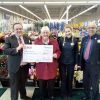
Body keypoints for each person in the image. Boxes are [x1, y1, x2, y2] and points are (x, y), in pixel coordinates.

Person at [4, 23, 31, 100]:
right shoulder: (9, 39)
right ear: (14, 30)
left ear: (22, 29)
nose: (19, 30)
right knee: (14, 85)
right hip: (15, 66)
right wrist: (17, 48)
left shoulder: (26, 37)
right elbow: (5, 50)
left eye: (20, 28)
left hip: (25, 66)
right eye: (17, 29)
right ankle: (14, 98)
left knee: (23, 83)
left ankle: (23, 96)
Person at [34, 26, 61, 100]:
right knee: (41, 82)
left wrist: (56, 55)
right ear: (41, 33)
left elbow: (58, 51)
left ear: (49, 33)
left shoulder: (54, 41)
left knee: (51, 82)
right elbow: (33, 53)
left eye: (47, 32)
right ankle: (42, 95)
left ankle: (51, 95)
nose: (45, 34)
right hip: (41, 65)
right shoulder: (37, 41)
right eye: (43, 32)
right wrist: (34, 59)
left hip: (51, 65)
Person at [80, 22, 100, 100]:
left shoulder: (99, 38)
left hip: (95, 66)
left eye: (93, 27)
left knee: (95, 84)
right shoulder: (84, 38)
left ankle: (95, 98)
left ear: (96, 28)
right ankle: (87, 96)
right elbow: (82, 51)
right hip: (85, 65)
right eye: (89, 28)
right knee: (86, 83)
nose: (91, 29)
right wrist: (80, 63)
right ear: (87, 29)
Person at [57, 25, 79, 100]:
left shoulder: (75, 40)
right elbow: (58, 51)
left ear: (71, 31)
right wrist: (57, 62)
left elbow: (76, 52)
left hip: (71, 62)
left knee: (70, 78)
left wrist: (76, 63)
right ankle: (63, 94)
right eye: (66, 31)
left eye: (69, 31)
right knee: (63, 78)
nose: (67, 33)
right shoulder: (61, 40)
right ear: (64, 32)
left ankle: (69, 93)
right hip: (62, 62)